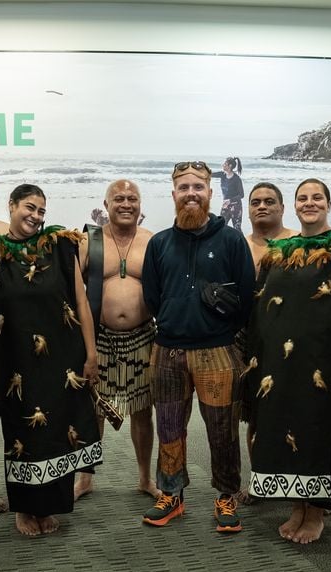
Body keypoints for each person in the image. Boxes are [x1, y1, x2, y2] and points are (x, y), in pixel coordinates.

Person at [244, 179, 331, 543]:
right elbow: (265, 306)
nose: (309, 203)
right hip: (285, 359)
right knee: (290, 426)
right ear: (294, 206)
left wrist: (302, 331)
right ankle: (297, 507)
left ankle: (316, 513)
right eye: (302, 198)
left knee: (320, 430)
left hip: (327, 356)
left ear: (328, 203)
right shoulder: (282, 250)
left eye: (317, 197)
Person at [0, 184, 103, 536]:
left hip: (61, 358)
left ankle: (49, 505)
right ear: (11, 206)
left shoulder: (61, 247)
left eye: (41, 211)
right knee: (22, 431)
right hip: (12, 359)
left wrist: (91, 353)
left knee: (57, 430)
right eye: (29, 208)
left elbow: (81, 303)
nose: (35, 216)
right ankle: (24, 508)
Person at [141, 160, 256, 533]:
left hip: (217, 352)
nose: (191, 193)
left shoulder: (231, 240)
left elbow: (246, 297)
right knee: (169, 426)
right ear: (173, 193)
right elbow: (153, 298)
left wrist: (218, 332)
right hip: (167, 351)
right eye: (184, 187)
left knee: (222, 430)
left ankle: (226, 495)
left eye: (199, 187)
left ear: (211, 192)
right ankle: (171, 495)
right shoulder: (159, 243)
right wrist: (178, 323)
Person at [75, 179, 160, 500]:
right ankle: (85, 479)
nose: (126, 204)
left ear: (140, 205)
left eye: (132, 199)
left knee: (142, 411)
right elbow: (70, 291)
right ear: (106, 204)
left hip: (144, 337)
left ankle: (144, 478)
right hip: (100, 338)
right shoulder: (89, 241)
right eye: (119, 199)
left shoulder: (152, 241)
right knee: (93, 410)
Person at [237, 182, 298, 505]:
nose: (262, 206)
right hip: (251, 339)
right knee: (256, 412)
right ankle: (259, 479)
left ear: (282, 207)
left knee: (294, 412)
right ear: (248, 209)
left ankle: (307, 490)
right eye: (256, 202)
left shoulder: (298, 244)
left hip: (291, 340)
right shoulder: (240, 246)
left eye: (269, 201)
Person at [212, 156, 244, 231]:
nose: (223, 165)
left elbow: (241, 195)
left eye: (225, 163)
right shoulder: (222, 175)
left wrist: (230, 200)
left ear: (230, 166)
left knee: (237, 228)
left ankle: (242, 242)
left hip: (236, 207)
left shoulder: (236, 179)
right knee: (220, 226)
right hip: (225, 206)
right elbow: (209, 174)